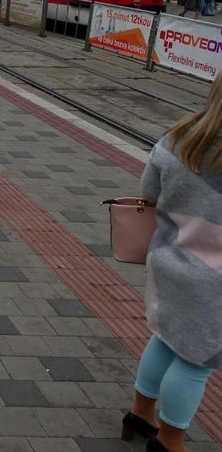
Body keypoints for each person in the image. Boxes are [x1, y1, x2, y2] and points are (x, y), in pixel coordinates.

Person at [123, 72, 222, 452]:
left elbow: (148, 193)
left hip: (167, 261)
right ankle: (169, 440)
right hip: (212, 279)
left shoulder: (178, 138)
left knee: (165, 338)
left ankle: (139, 413)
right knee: (196, 361)